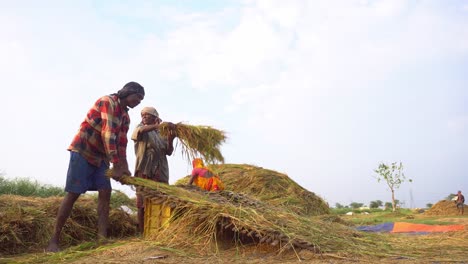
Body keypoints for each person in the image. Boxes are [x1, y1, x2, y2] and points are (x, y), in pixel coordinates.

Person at [46, 81, 145, 252]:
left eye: (141, 100)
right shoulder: (108, 102)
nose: (139, 102)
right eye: (138, 97)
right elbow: (108, 134)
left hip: (101, 157)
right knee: (73, 194)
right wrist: (115, 164)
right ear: (128, 92)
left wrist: (124, 168)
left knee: (105, 193)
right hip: (83, 151)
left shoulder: (125, 117)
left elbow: (121, 143)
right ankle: (54, 240)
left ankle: (102, 238)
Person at [131, 106, 176, 233]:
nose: (144, 117)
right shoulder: (140, 128)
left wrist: (171, 138)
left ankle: (159, 230)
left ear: (155, 118)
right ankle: (141, 231)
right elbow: (138, 133)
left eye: (147, 115)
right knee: (142, 202)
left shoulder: (161, 133)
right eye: (143, 115)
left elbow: (168, 151)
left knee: (161, 200)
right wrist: (158, 126)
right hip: (145, 169)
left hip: (160, 170)